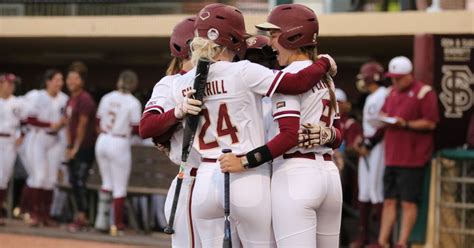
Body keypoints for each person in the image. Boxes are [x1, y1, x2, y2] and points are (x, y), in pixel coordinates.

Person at [155, 3, 336, 246]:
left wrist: (170, 130)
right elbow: (296, 83)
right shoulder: (244, 71)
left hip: (205, 177)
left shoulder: (180, 82)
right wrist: (324, 63)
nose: (266, 51)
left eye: (272, 36)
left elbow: (150, 127)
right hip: (254, 175)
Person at [220, 4, 343, 247]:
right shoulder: (324, 77)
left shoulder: (288, 77)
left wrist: (245, 161)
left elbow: (288, 136)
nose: (270, 43)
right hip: (329, 177)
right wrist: (327, 134)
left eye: (274, 35)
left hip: (295, 176)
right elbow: (339, 136)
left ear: (293, 35)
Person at [140, 16, 207, 247]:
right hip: (190, 179)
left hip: (218, 180)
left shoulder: (221, 75)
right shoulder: (169, 84)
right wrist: (176, 113)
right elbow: (146, 127)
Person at [373, 56, 439, 248]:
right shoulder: (390, 93)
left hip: (413, 158)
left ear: (409, 76)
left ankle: (402, 242)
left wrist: (406, 124)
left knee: (408, 202)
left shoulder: (424, 92)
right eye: (392, 78)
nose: (394, 81)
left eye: (399, 78)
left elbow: (430, 122)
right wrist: (384, 118)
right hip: (392, 156)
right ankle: (382, 241)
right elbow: (384, 114)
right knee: (389, 201)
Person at [94, 70, 142, 236]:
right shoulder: (133, 102)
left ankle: (101, 222)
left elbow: (98, 121)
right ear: (133, 84)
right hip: (119, 141)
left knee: (107, 183)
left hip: (103, 139)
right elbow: (137, 128)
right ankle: (117, 225)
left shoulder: (107, 97)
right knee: (119, 188)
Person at [351, 62, 387, 247]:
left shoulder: (383, 95)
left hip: (378, 146)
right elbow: (368, 125)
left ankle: (380, 239)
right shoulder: (371, 96)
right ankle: (364, 237)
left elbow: (383, 124)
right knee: (364, 191)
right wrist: (361, 139)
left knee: (375, 190)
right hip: (368, 144)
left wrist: (369, 143)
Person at [26, 69, 68, 226]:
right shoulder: (39, 96)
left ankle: (45, 215)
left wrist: (63, 123)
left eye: (61, 80)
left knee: (51, 179)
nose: (60, 83)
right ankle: (34, 214)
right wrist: (50, 124)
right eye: (57, 80)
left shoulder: (64, 98)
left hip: (55, 139)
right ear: (48, 81)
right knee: (40, 176)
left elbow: (66, 118)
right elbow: (30, 119)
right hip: (39, 137)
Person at [65, 61, 98, 232]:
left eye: (75, 78)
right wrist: (68, 145)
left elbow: (82, 127)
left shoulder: (85, 99)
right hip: (73, 147)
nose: (71, 81)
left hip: (85, 148)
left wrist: (75, 148)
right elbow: (68, 123)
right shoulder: (71, 99)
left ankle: (82, 217)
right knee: (73, 181)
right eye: (69, 78)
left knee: (79, 181)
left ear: (82, 81)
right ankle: (79, 215)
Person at [0, 73, 26, 226]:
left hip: (9, 141)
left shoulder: (18, 102)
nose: (10, 86)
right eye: (8, 83)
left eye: (13, 84)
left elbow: (24, 123)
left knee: (4, 178)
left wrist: (21, 135)